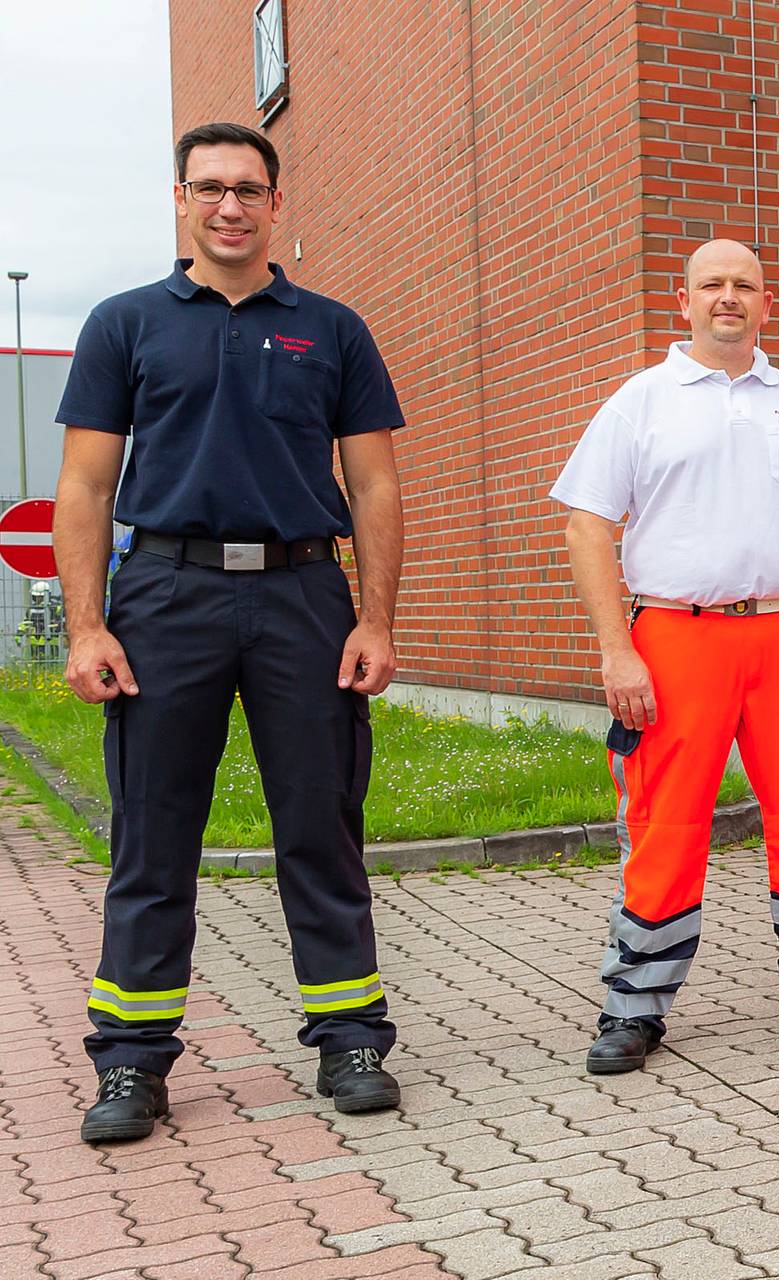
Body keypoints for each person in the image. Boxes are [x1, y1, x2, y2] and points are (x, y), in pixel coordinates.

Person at [57, 122, 408, 1142]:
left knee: (321, 825)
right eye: (209, 188)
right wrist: (88, 626)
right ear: (180, 198)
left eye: (248, 189)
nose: (229, 207)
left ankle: (349, 1033)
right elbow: (84, 485)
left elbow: (374, 480)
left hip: (304, 595)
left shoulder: (331, 328)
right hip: (166, 592)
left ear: (275, 204)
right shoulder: (125, 324)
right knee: (153, 835)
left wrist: (376, 616)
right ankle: (130, 1061)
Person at [550, 239, 779, 1075]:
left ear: (766, 304)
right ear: (684, 301)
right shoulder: (642, 401)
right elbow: (587, 526)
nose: (729, 297)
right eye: (713, 284)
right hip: (675, 638)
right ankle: (633, 1007)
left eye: (744, 285)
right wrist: (615, 650)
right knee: (665, 824)